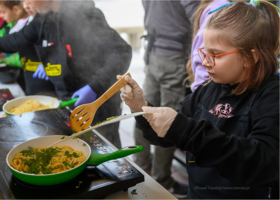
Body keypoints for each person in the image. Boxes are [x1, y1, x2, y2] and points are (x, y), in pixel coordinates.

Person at [118, 0, 279, 199]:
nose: (204, 62)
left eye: (216, 55)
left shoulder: (272, 97)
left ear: (250, 58)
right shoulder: (210, 88)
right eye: (204, 52)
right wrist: (141, 107)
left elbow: (261, 162)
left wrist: (185, 130)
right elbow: (167, 135)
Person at [0, 0, 132, 149]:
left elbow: (122, 52)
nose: (25, 4)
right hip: (66, 103)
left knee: (106, 152)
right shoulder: (43, 18)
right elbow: (14, 40)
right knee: (77, 152)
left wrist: (94, 87)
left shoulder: (85, 13)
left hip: (98, 103)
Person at [133, 1, 200, 198]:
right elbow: (199, 17)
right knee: (168, 120)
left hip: (152, 52)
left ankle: (140, 169)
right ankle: (162, 181)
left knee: (143, 111)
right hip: (175, 56)